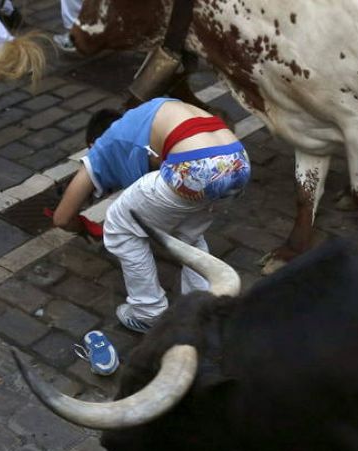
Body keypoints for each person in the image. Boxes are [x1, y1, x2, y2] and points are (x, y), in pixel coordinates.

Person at [53, 98, 250, 333]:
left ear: (93, 143)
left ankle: (148, 313)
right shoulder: (144, 122)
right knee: (187, 233)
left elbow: (62, 218)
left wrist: (83, 228)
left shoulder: (105, 145)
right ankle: (203, 308)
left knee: (120, 225)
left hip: (197, 166)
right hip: (239, 160)